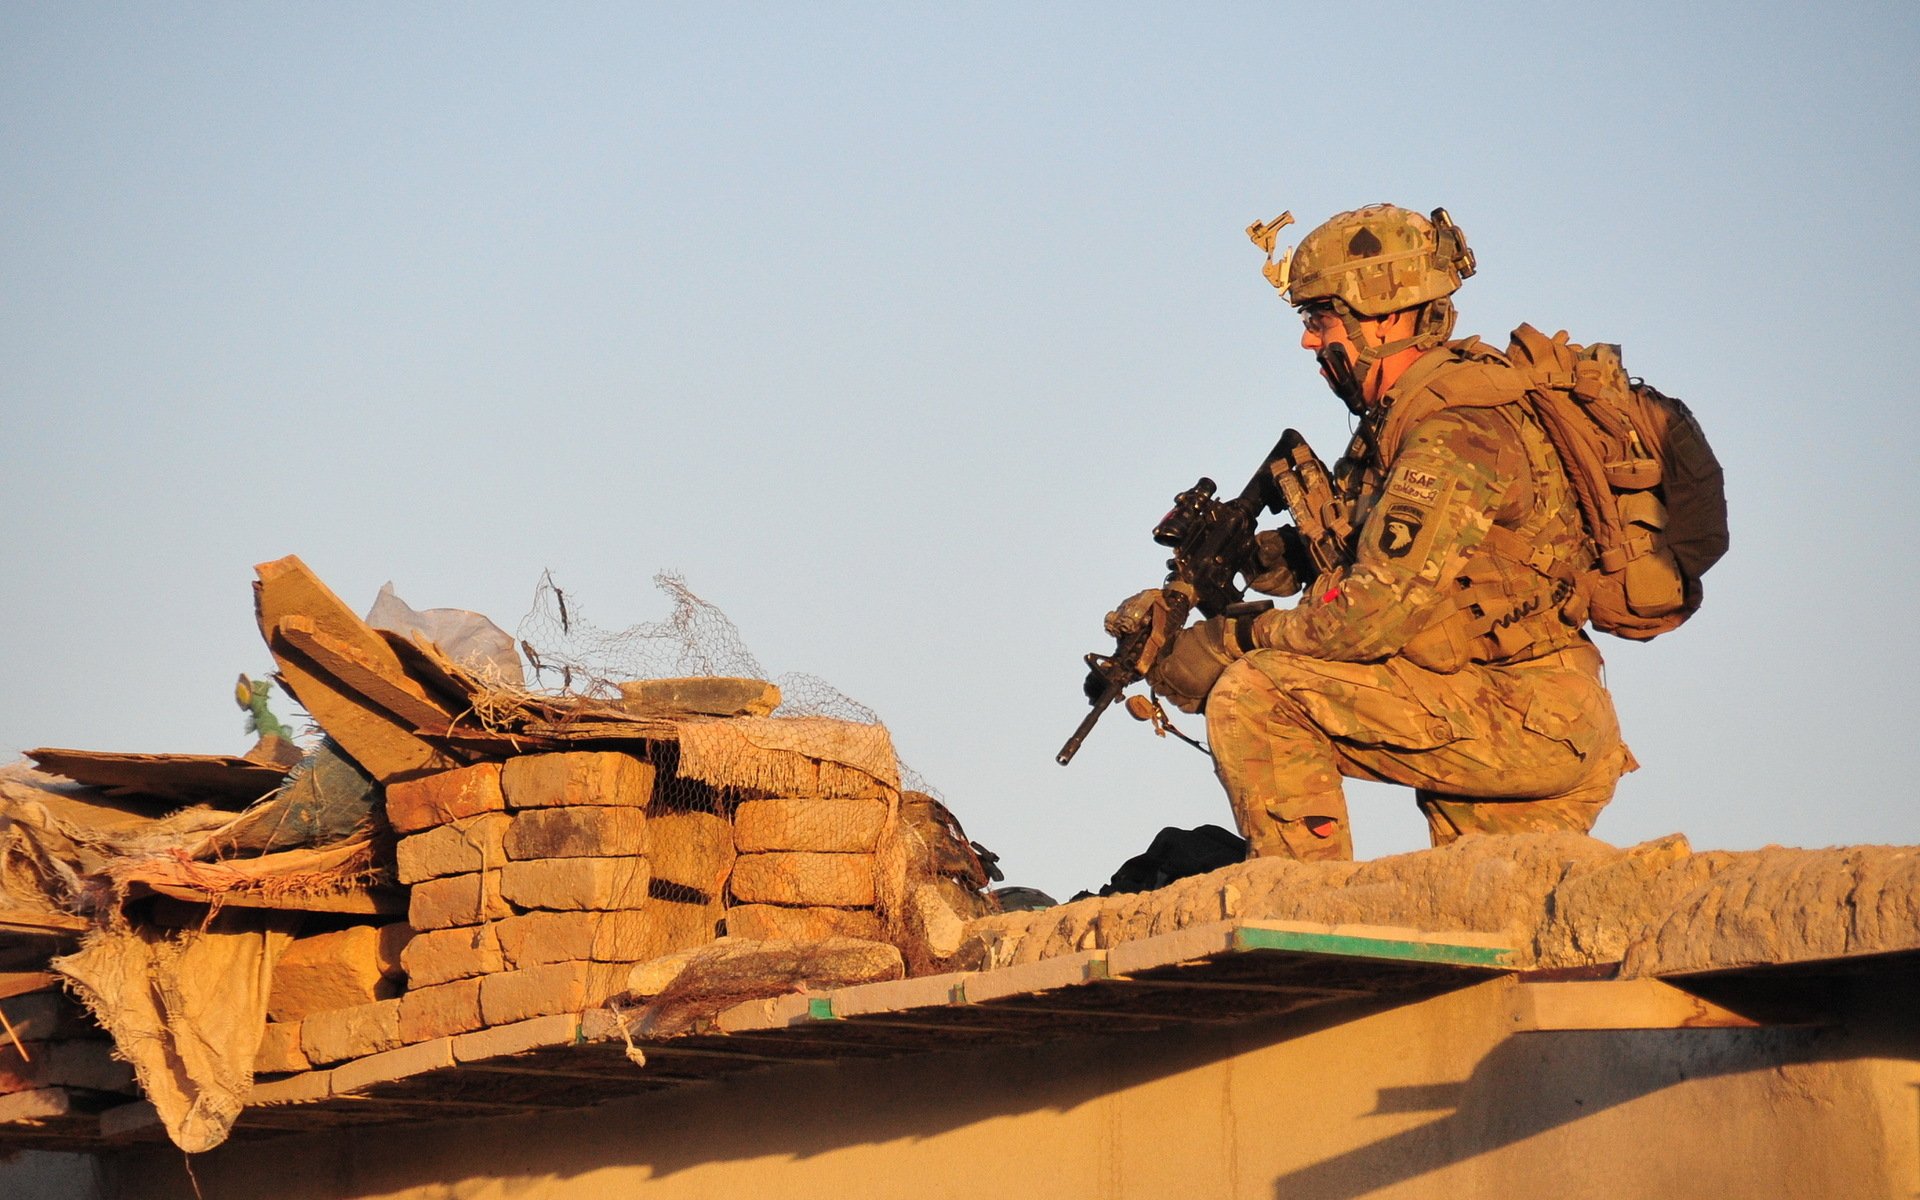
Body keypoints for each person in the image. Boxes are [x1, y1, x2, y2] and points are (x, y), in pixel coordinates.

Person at [1108, 204, 1635, 862]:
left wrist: (1228, 640)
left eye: (1319, 319)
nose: (1309, 341)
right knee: (1483, 925)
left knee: (1259, 689)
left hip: (1526, 713)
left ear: (1385, 315)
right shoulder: (1401, 423)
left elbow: (1365, 619)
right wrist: (1243, 566)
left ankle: (1301, 909)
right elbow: (1365, 551)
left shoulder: (1454, 432)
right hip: (1509, 706)